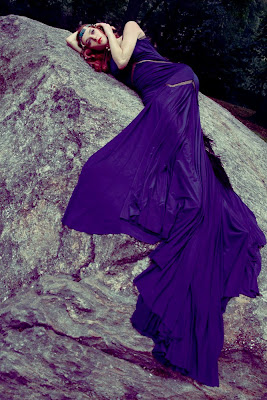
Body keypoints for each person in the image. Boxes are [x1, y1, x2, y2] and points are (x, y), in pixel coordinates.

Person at [63, 21, 266, 387]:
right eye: (86, 39)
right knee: (178, 160)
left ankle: (198, 205)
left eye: (89, 31)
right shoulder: (106, 57)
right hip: (160, 93)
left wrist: (106, 30)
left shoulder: (126, 32)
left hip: (176, 81)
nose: (89, 38)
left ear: (100, 26)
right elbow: (70, 40)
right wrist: (84, 41)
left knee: (179, 158)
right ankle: (200, 202)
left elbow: (123, 56)